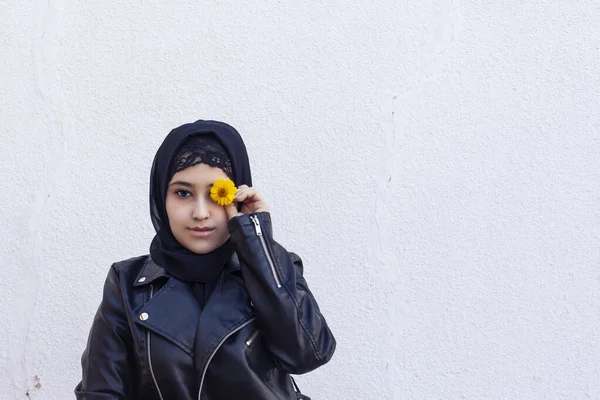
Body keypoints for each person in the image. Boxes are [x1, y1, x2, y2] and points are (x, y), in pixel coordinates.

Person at [74, 120, 336, 399]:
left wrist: (256, 239)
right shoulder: (127, 284)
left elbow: (308, 354)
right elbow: (101, 392)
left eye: (217, 193)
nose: (200, 212)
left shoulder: (272, 267)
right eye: (183, 193)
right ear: (162, 197)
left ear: (238, 195)